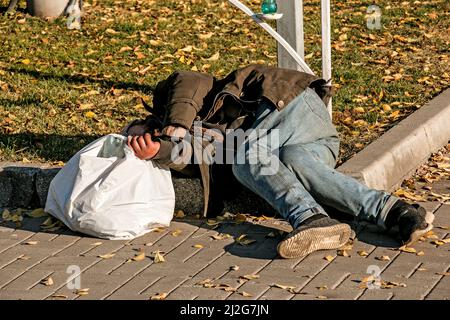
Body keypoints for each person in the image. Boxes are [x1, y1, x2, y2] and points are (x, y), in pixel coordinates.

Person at [126, 64, 434, 259]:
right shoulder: (195, 135)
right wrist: (159, 152)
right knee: (296, 163)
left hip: (291, 104)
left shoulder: (184, 97)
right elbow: (194, 154)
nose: (136, 136)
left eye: (134, 130)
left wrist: (175, 125)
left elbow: (188, 81)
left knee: (247, 157)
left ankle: (311, 220)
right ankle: (398, 212)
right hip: (311, 141)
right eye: (131, 137)